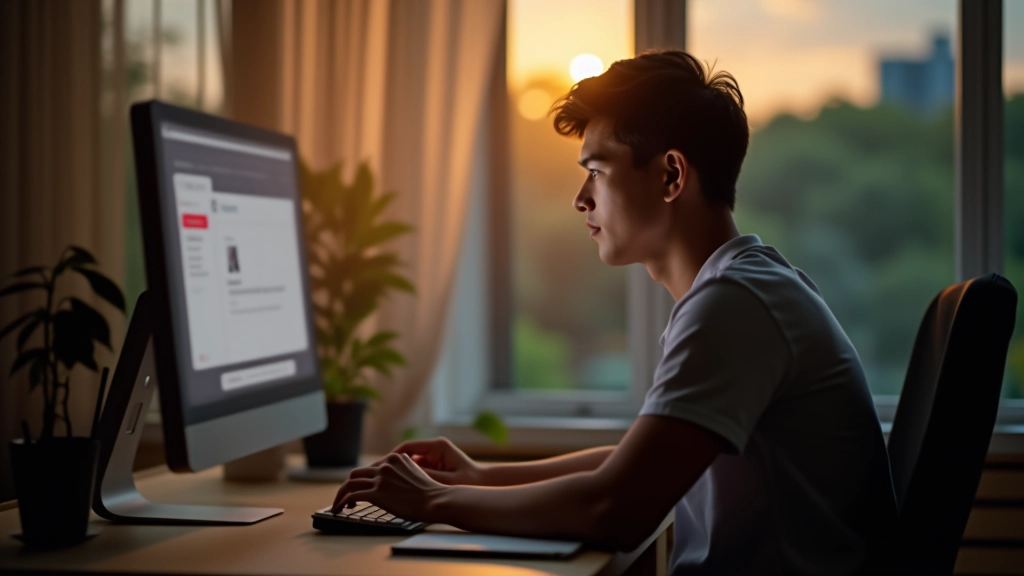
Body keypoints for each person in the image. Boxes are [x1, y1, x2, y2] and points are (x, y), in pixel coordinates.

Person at [331, 50, 897, 575]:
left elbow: (616, 507)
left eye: (597, 171)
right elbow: (636, 465)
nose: (581, 198)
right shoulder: (740, 288)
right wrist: (481, 477)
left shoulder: (735, 304)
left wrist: (433, 500)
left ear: (671, 175)